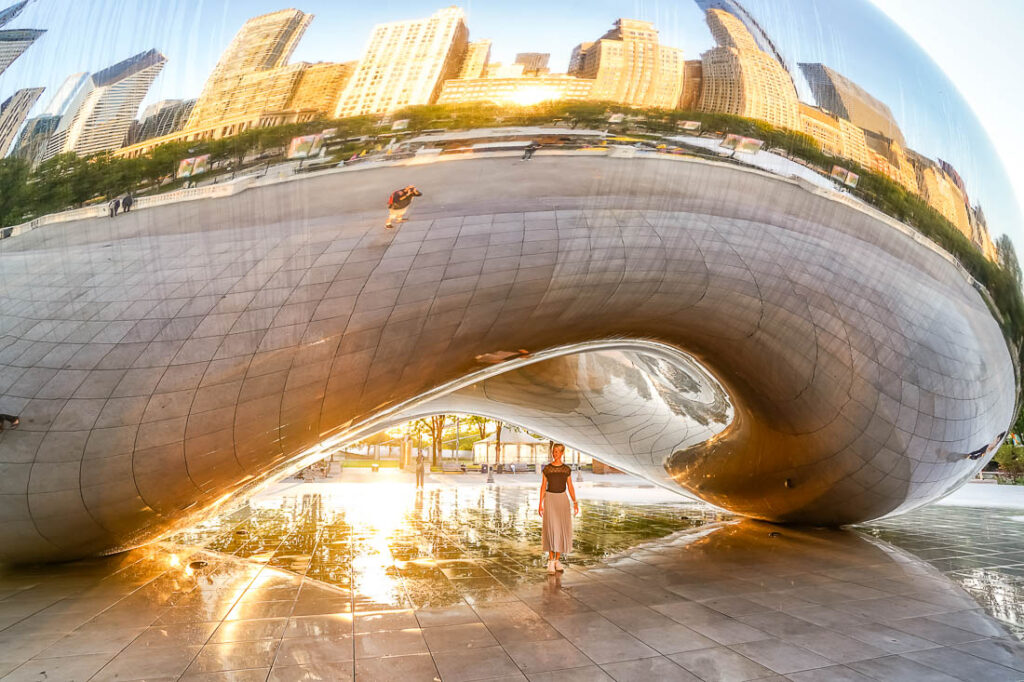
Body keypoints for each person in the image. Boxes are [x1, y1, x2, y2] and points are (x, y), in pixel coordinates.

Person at [538, 443, 578, 573]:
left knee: (561, 529)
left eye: (557, 451)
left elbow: (570, 486)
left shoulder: (566, 469)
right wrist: (540, 503)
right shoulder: (547, 469)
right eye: (553, 451)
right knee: (551, 529)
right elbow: (543, 486)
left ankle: (557, 560)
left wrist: (575, 501)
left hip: (562, 499)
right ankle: (550, 560)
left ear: (562, 453)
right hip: (550, 499)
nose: (555, 454)